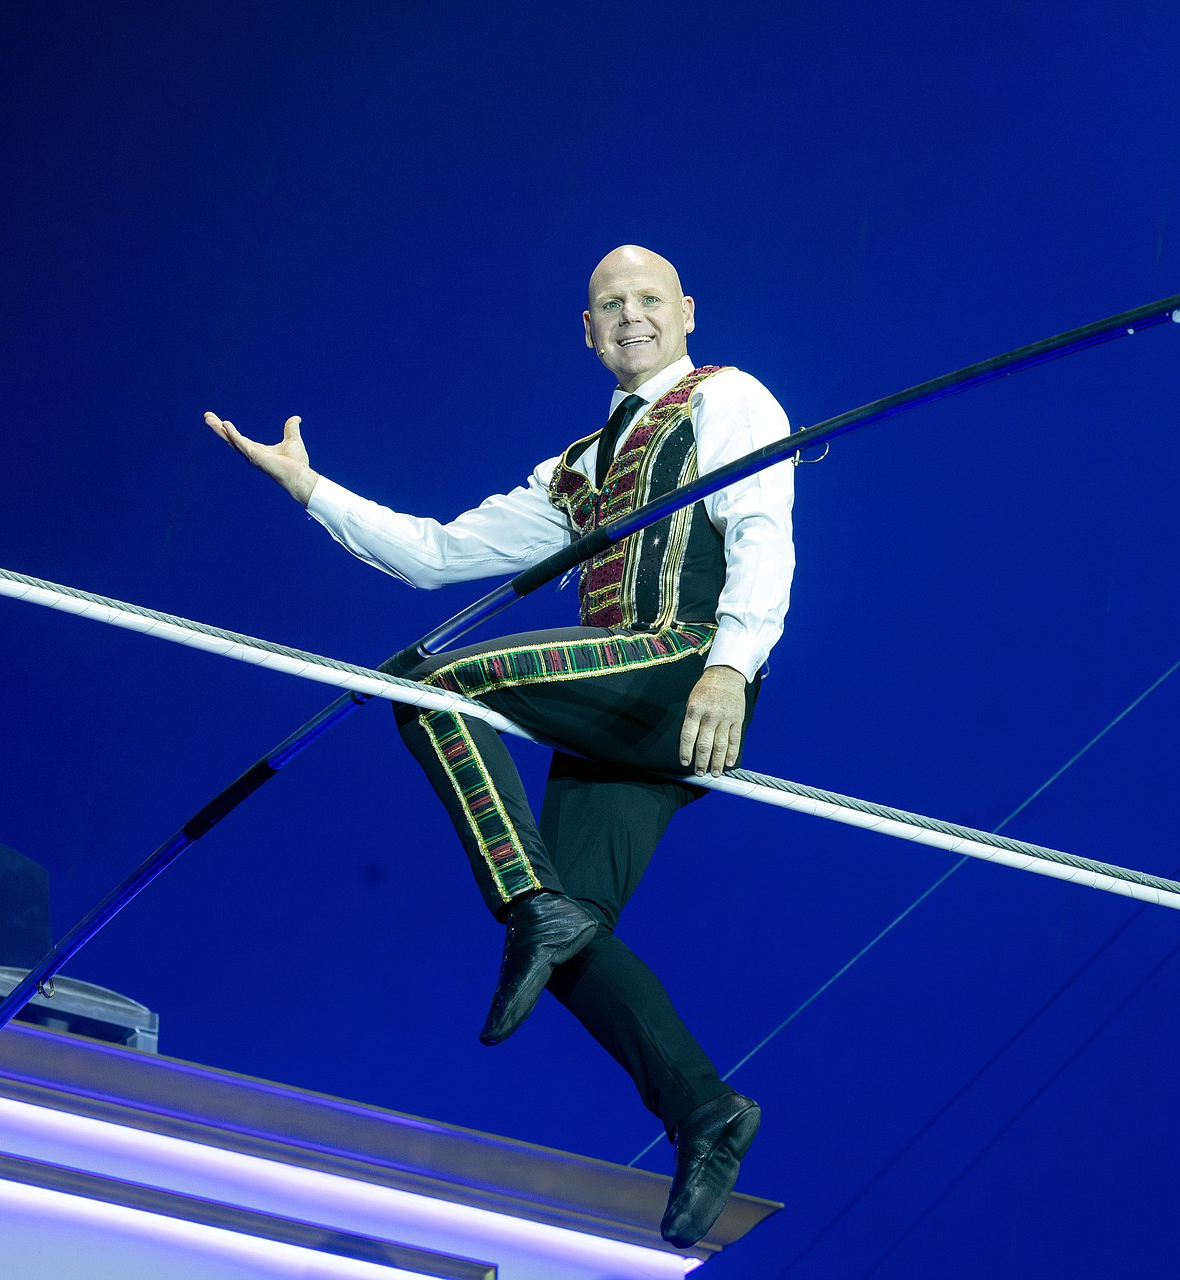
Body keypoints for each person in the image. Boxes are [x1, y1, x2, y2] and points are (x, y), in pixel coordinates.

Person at [205, 245, 794, 1248]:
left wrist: (731, 665)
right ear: (586, 327)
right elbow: (436, 552)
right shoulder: (573, 469)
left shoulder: (726, 399)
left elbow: (763, 532)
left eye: (649, 299)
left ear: (688, 310)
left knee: (431, 683)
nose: (632, 316)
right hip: (614, 711)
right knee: (573, 946)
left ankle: (529, 902)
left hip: (681, 667)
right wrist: (310, 489)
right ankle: (704, 1108)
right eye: (611, 304)